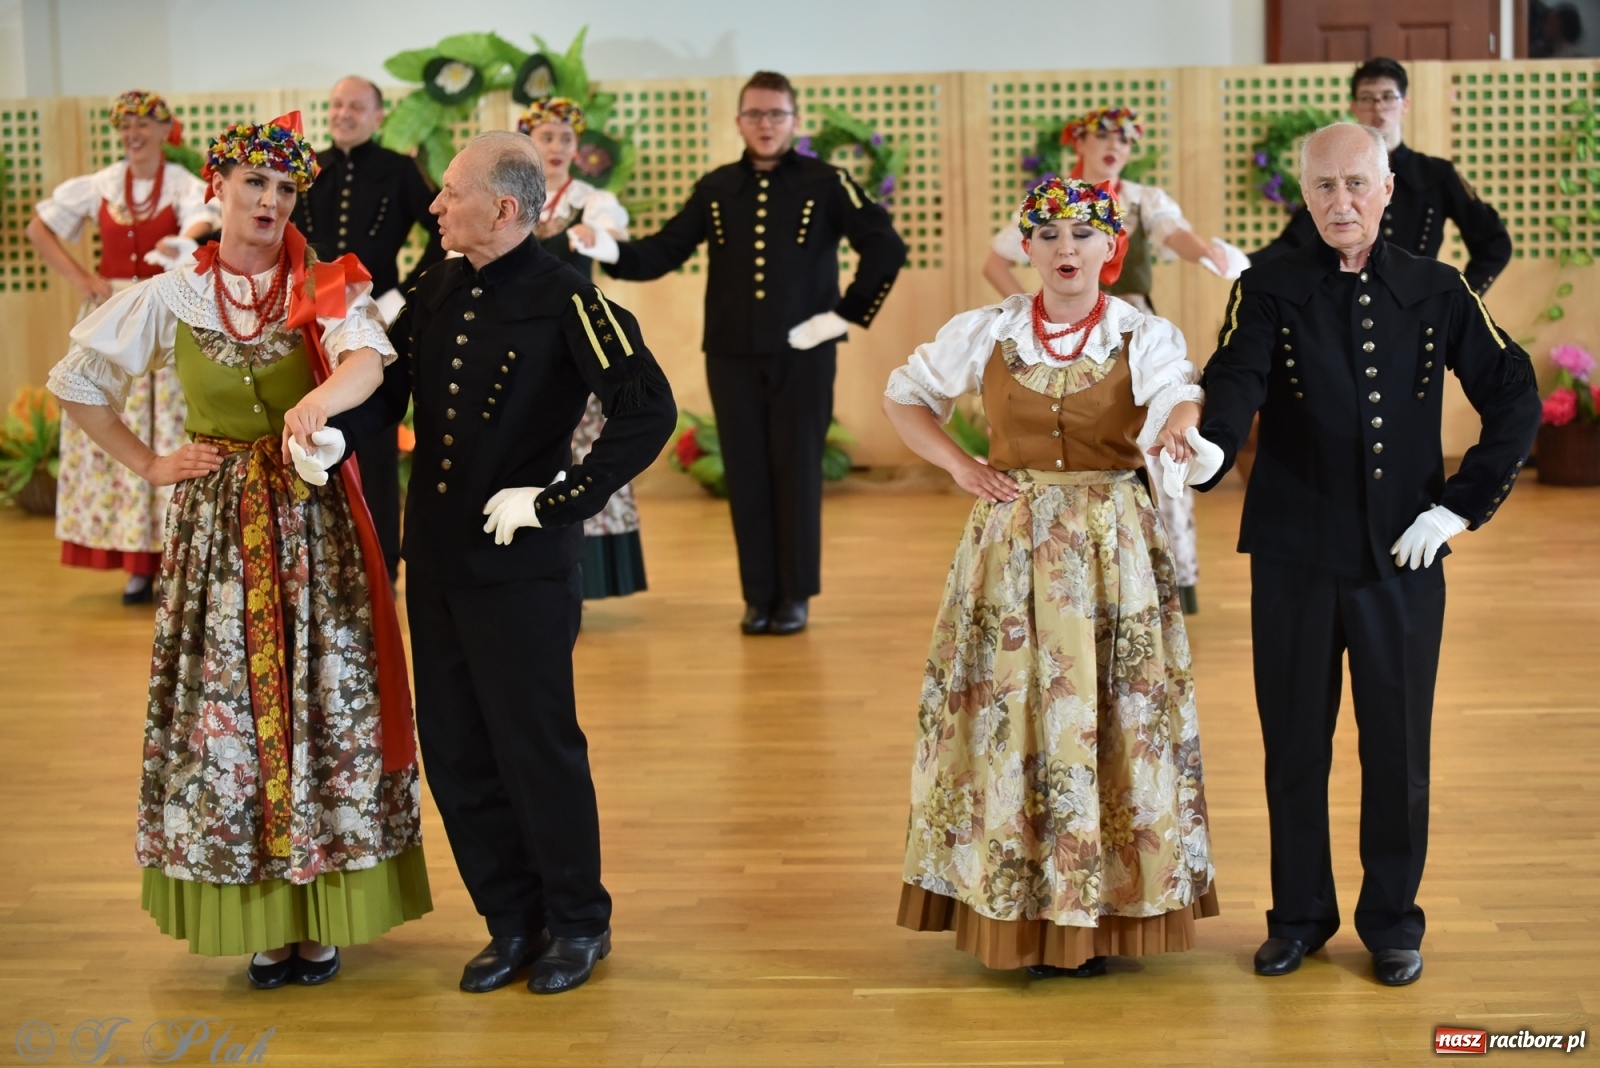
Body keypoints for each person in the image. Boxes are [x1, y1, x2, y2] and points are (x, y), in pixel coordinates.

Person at [44, 112, 430, 989]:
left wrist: (320, 401)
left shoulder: (325, 282)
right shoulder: (172, 292)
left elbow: (368, 362)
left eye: (286, 188)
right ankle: (262, 914)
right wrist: (149, 462)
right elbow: (79, 383)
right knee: (230, 715)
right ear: (217, 190)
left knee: (322, 708)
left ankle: (323, 912)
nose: (269, 200)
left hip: (310, 525)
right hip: (219, 531)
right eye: (255, 183)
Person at [314, 131, 676, 994]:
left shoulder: (568, 298)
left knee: (534, 747)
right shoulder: (437, 285)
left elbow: (646, 412)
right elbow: (385, 395)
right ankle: (512, 921)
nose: (434, 207)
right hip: (436, 561)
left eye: (449, 193)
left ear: (504, 209)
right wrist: (331, 434)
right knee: (457, 750)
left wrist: (557, 499)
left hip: (522, 568)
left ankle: (579, 923)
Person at [1190, 123, 1541, 987]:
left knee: (1397, 749)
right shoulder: (1265, 286)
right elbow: (1235, 376)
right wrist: (1211, 447)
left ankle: (1392, 922)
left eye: (1356, 185)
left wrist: (1458, 509)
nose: (1340, 203)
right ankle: (1299, 917)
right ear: (1302, 195)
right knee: (1295, 749)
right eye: (1323, 188)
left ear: (1388, 189)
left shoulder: (1439, 285)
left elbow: (1515, 394)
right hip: (1294, 556)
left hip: (1403, 560)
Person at [885, 177, 1217, 978]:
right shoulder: (990, 331)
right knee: (1013, 716)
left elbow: (1180, 395)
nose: (1067, 250)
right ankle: (1019, 903)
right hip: (1013, 544)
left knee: (1108, 714)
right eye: (1049, 236)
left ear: (1113, 248)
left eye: (1083, 235)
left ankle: (1100, 913)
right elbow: (905, 395)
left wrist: (1179, 422)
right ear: (1026, 249)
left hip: (1110, 547)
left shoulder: (1142, 334)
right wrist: (961, 466)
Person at [591, 70, 907, 636]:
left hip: (803, 355)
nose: (765, 125)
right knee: (746, 473)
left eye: (776, 114)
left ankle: (795, 597)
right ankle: (757, 596)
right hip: (732, 354)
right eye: (755, 114)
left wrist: (841, 316)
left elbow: (886, 245)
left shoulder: (827, 181)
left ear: (795, 120)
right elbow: (665, 249)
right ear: (739, 121)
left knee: (797, 471)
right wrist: (609, 248)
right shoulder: (717, 186)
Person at [982, 106, 1246, 616]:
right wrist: (1023, 308)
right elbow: (994, 260)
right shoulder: (1055, 202)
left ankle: (1165, 569)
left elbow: (1174, 234)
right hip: (1054, 330)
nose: (1113, 147)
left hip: (1122, 326)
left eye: (1123, 141)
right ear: (1078, 142)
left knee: (1155, 440)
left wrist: (1211, 255)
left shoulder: (1143, 201)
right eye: (1102, 137)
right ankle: (1062, 567)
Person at [26, 90, 217, 604]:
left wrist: (187, 239)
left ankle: (170, 553)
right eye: (125, 125)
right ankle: (134, 560)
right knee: (116, 422)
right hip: (111, 312)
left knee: (169, 425)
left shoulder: (180, 184)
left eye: (142, 125)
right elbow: (38, 227)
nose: (132, 134)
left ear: (163, 131)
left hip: (161, 310)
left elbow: (200, 219)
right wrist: (82, 277)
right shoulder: (104, 185)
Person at [291, 75, 444, 583]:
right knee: (308, 428)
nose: (344, 114)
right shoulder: (308, 169)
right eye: (336, 105)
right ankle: (316, 561)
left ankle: (381, 562)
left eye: (356, 106)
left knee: (374, 437)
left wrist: (407, 292)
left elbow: (442, 233)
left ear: (379, 116)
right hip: (306, 318)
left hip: (376, 315)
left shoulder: (399, 170)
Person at [518, 96, 647, 600]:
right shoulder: (512, 196)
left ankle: (586, 573)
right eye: (546, 137)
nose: (555, 147)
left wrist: (595, 235)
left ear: (577, 147)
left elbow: (615, 238)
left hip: (577, 341)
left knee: (584, 447)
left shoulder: (589, 199)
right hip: (521, 340)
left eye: (565, 139)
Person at [1249, 58, 1512, 297]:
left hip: (1416, 306)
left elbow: (1494, 243)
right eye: (1367, 98)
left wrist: (1461, 298)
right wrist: (1243, 262)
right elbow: (1294, 240)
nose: (1378, 108)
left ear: (1405, 104)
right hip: (1346, 304)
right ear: (1353, 107)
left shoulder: (1436, 173)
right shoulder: (1334, 175)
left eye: (1388, 97)